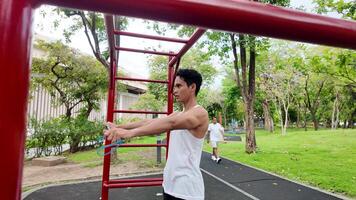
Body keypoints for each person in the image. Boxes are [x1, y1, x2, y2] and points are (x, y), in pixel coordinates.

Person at [104, 68, 209, 200]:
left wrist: (129, 133)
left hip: (187, 189)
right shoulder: (178, 113)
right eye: (173, 86)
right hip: (170, 185)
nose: (174, 90)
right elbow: (150, 121)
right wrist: (119, 126)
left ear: (192, 87)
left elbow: (171, 123)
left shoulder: (200, 113)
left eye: (178, 86)